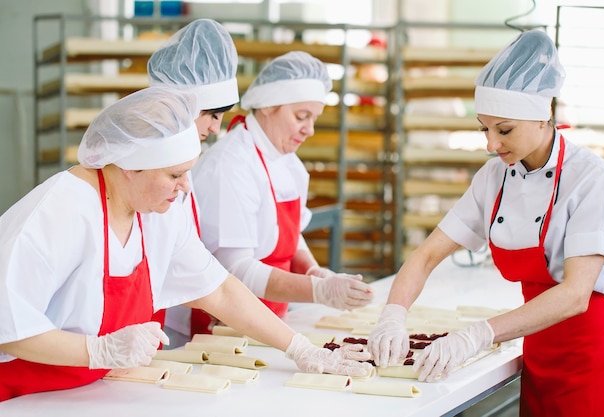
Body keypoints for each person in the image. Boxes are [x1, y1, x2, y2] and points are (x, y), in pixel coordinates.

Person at [0, 86, 372, 402]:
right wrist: (96, 350)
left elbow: (221, 291)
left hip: (93, 394)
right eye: (174, 174)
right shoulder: (61, 211)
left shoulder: (156, 211)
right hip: (25, 397)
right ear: (130, 165)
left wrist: (299, 348)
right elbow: (8, 322)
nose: (185, 187)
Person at [367, 29, 604, 416]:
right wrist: (393, 315)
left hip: (591, 354)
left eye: (504, 130)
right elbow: (426, 256)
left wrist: (479, 334)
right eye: (484, 129)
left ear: (543, 116)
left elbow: (575, 295)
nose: (491, 144)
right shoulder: (493, 178)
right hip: (535, 346)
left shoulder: (591, 178)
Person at [192, 51, 374, 323]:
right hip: (221, 325)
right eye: (301, 116)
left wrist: (312, 270)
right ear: (267, 105)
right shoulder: (230, 165)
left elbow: (288, 235)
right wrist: (318, 291)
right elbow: (235, 269)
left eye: (314, 119)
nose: (309, 130)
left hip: (271, 318)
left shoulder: (289, 164)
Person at [147, 18, 239, 336]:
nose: (216, 128)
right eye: (212, 114)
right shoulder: (148, 177)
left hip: (156, 330)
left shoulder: (182, 170)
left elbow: (198, 269)